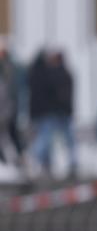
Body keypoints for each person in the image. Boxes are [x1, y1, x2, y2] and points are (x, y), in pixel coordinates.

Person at [29, 49, 77, 178]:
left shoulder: (42, 74)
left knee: (46, 138)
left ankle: (40, 162)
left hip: (50, 112)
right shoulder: (63, 74)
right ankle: (70, 162)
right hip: (58, 112)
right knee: (63, 140)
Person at [0, 40, 24, 166]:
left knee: (11, 134)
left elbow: (11, 91)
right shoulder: (10, 66)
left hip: (8, 107)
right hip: (7, 106)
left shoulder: (9, 67)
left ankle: (17, 158)